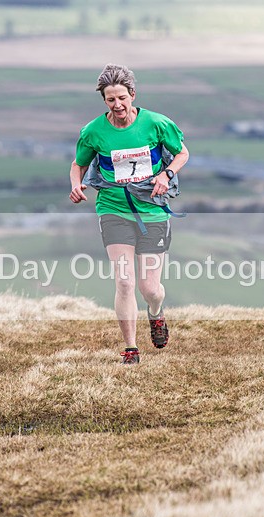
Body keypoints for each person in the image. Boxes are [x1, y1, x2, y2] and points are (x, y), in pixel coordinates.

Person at [69, 63, 189, 365]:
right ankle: (131, 349)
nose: (117, 105)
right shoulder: (93, 131)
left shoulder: (157, 124)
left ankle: (156, 313)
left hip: (152, 210)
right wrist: (76, 185)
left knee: (150, 289)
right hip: (113, 209)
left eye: (122, 98)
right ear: (104, 100)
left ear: (132, 94)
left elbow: (182, 153)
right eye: (111, 99)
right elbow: (78, 164)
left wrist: (167, 175)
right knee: (124, 282)